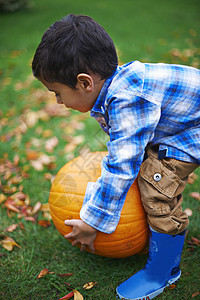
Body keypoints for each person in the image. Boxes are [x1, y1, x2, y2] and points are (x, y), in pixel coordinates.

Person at [32, 14, 200, 300]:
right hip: (182, 124)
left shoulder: (127, 99)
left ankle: (162, 271)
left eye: (57, 94)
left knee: (156, 184)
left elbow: (122, 166)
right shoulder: (115, 86)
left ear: (85, 83)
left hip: (192, 131)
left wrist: (93, 222)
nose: (58, 102)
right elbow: (125, 147)